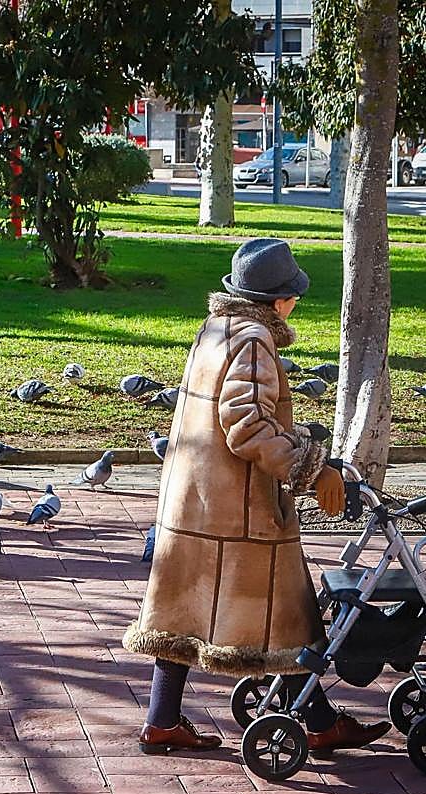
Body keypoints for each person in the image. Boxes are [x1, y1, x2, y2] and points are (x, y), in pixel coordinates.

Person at [123, 237, 391, 755]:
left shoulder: (216, 328)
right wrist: (313, 467)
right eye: (292, 295)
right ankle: (315, 721)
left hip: (196, 500)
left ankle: (162, 721)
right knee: (287, 612)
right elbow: (245, 426)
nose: (295, 303)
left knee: (180, 611)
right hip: (240, 506)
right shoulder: (252, 340)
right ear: (277, 301)